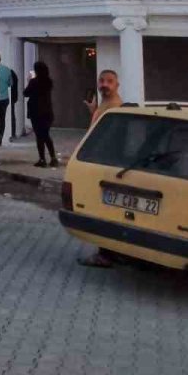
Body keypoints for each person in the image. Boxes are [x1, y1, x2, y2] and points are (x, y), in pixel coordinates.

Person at [79, 69, 124, 268]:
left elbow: (109, 137)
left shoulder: (115, 106)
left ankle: (107, 254)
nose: (105, 84)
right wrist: (93, 111)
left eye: (109, 81)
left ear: (117, 85)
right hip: (100, 162)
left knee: (107, 210)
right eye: (102, 81)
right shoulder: (105, 104)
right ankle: (105, 252)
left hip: (107, 163)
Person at [25, 60, 56, 167]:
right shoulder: (49, 81)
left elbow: (26, 93)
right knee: (46, 135)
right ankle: (53, 158)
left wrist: (28, 80)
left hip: (36, 112)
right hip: (47, 112)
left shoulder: (34, 81)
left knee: (39, 136)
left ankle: (42, 159)